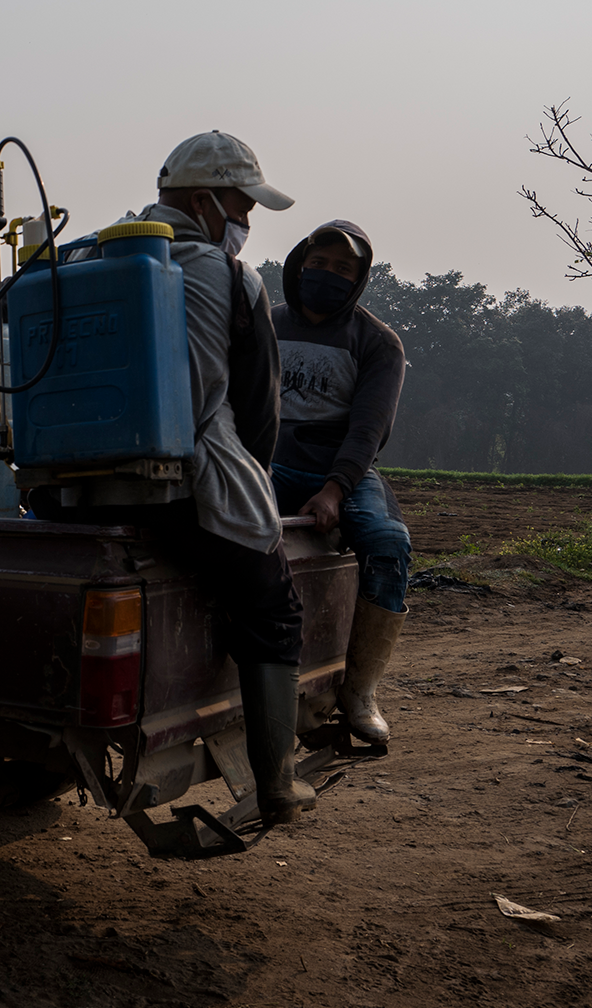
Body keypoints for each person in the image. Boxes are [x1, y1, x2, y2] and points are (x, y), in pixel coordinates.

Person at [112, 130, 315, 824]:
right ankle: (278, 786)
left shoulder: (97, 255)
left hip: (77, 487)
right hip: (186, 483)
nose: (247, 223)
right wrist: (251, 478)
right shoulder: (220, 273)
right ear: (204, 201)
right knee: (273, 607)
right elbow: (255, 405)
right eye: (241, 206)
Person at [269, 220, 411, 744]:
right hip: (267, 459)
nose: (327, 274)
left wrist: (334, 489)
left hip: (339, 466)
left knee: (388, 543)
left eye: (342, 269)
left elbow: (369, 430)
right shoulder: (262, 324)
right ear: (301, 265)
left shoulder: (378, 343)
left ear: (358, 279)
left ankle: (359, 692)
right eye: (319, 263)